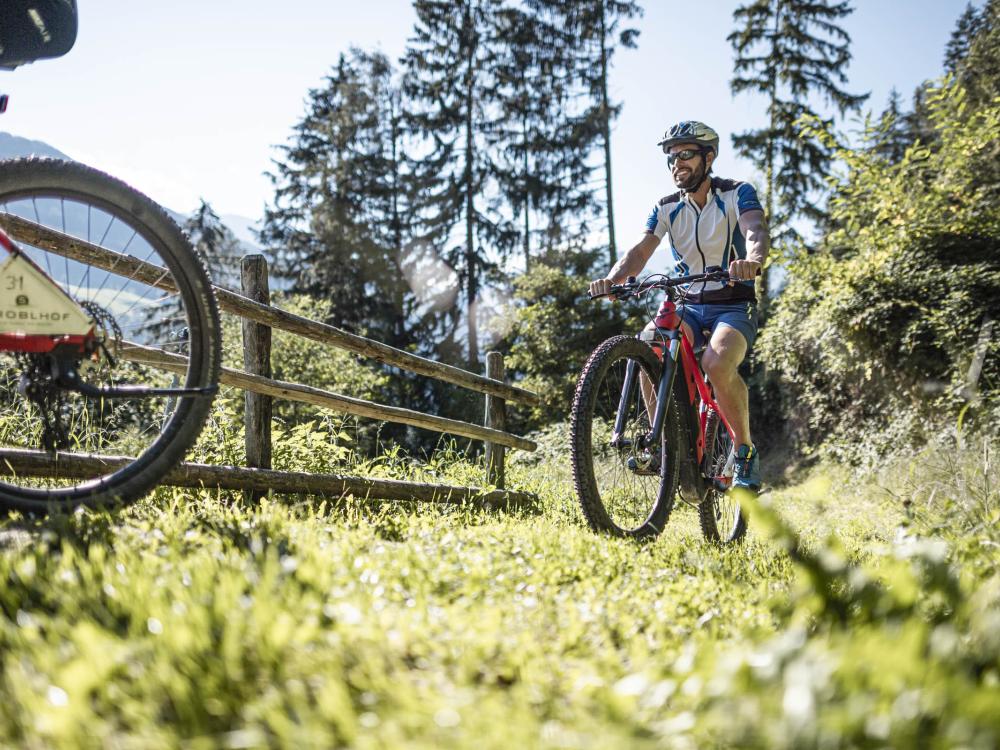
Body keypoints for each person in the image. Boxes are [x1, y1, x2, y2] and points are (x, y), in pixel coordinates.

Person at [588, 120, 770, 490]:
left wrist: (752, 258)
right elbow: (640, 251)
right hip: (688, 301)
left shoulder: (737, 193)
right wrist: (614, 278)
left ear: (709, 157)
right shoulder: (667, 207)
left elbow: (755, 229)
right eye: (671, 157)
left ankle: (745, 451)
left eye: (686, 155)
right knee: (649, 344)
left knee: (717, 363)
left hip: (733, 302)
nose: (677, 163)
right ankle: (664, 444)